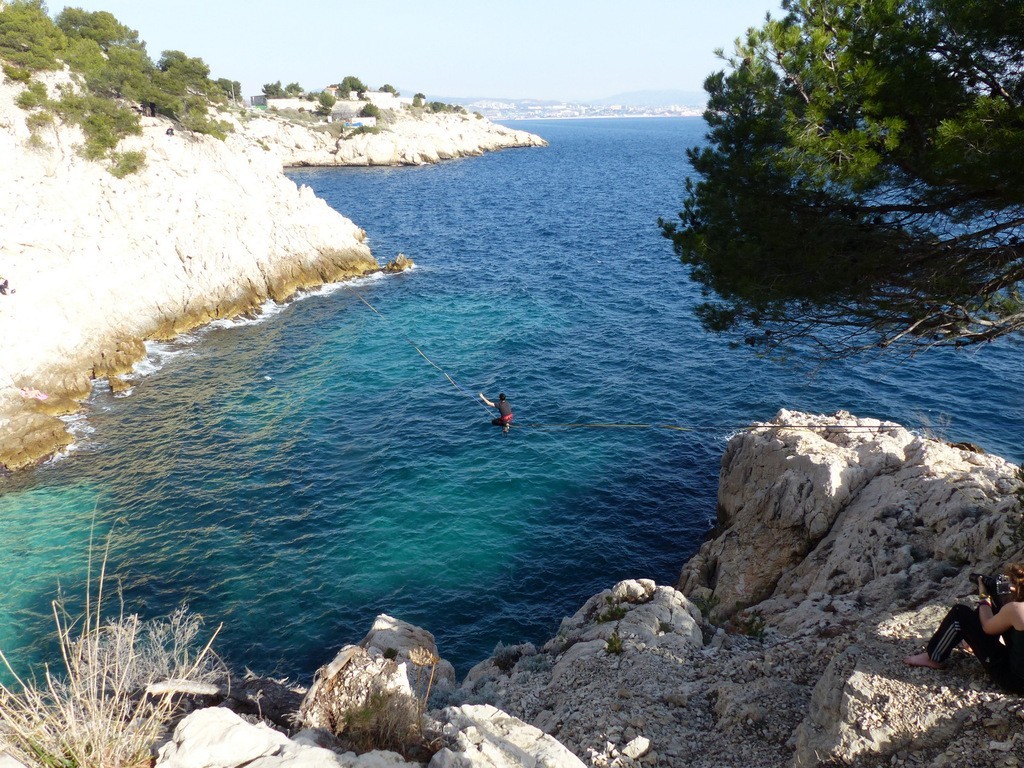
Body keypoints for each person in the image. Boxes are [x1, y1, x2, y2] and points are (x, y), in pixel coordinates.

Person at [905, 564, 1024, 692]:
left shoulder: (1015, 609)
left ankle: (933, 657)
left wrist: (984, 596)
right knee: (1000, 590)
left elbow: (987, 626)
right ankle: (969, 640)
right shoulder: (1015, 609)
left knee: (959, 613)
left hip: (1015, 680)